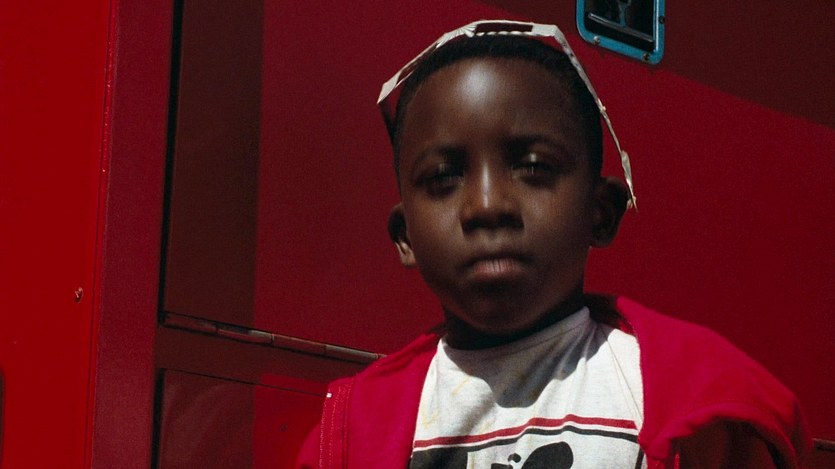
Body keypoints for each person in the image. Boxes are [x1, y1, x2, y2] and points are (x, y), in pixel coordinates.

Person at [295, 20, 810, 468]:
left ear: (600, 213)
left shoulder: (693, 407)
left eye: (534, 167)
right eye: (443, 178)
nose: (487, 205)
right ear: (406, 237)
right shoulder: (352, 431)